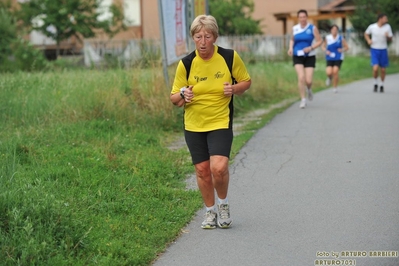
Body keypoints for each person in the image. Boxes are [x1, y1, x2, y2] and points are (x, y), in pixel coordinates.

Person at [170, 15, 251, 229]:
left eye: (207, 36)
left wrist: (233, 89)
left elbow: (246, 81)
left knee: (219, 167)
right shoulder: (186, 64)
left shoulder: (229, 57)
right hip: (194, 124)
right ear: (193, 38)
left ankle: (223, 204)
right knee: (202, 170)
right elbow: (174, 99)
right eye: (198, 37)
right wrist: (183, 94)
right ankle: (209, 212)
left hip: (220, 120)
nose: (203, 41)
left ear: (214, 37)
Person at [288, 9, 322, 109]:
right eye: (300, 17)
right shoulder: (295, 28)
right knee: (301, 77)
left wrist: (311, 48)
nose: (302, 19)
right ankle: (303, 100)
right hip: (297, 55)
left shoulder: (312, 28)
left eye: (304, 17)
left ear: (307, 17)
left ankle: (309, 89)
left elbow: (319, 41)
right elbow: (292, 40)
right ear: (298, 18)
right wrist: (290, 48)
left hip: (309, 56)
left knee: (308, 80)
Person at [364, 14, 393, 93]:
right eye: (385, 19)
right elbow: (366, 34)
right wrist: (368, 40)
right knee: (375, 68)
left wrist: (388, 36)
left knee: (383, 69)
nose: (386, 20)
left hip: (383, 49)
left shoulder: (387, 27)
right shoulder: (372, 27)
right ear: (380, 19)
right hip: (375, 49)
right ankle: (375, 82)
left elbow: (391, 39)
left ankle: (382, 84)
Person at [322, 24, 349, 93]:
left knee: (335, 71)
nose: (334, 31)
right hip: (330, 57)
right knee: (329, 72)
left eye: (336, 30)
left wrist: (342, 50)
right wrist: (326, 51)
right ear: (331, 30)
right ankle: (329, 78)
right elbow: (323, 47)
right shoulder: (328, 38)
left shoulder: (340, 38)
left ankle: (335, 87)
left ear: (337, 31)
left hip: (338, 57)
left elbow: (347, 47)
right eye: (333, 30)